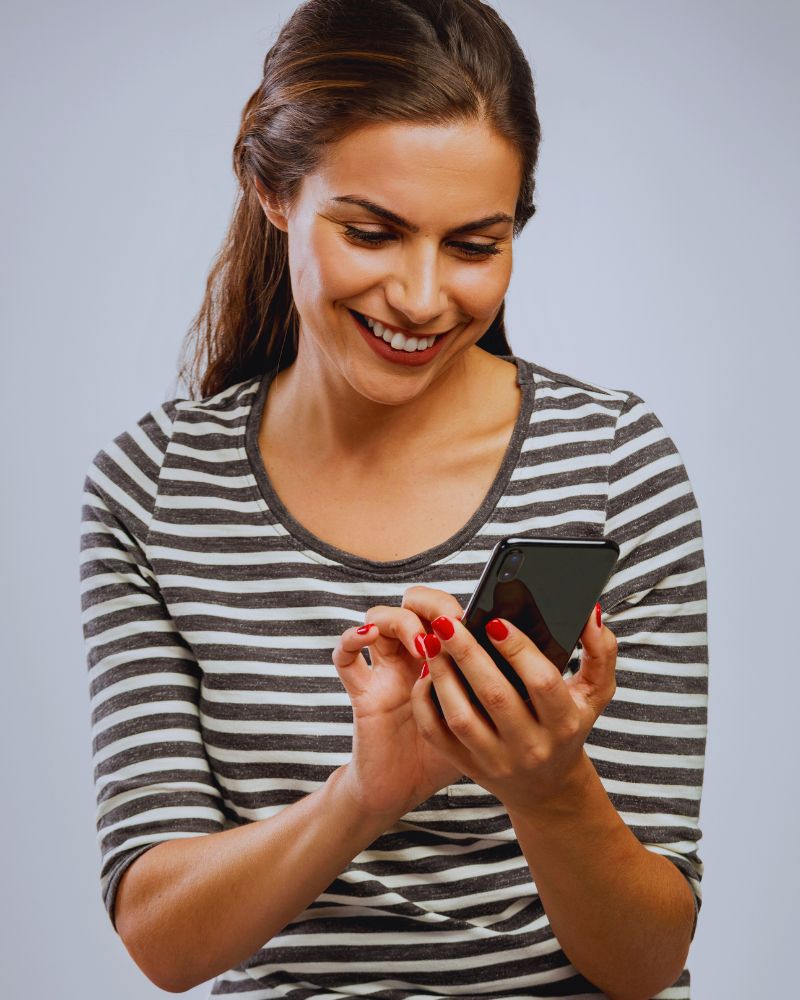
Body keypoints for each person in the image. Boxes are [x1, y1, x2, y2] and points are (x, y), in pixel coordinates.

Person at [78, 1, 708, 997]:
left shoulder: (610, 461)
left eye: (472, 246)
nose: (420, 298)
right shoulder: (151, 489)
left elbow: (644, 961)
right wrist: (366, 794)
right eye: (372, 232)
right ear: (272, 192)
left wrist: (548, 789)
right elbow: (163, 939)